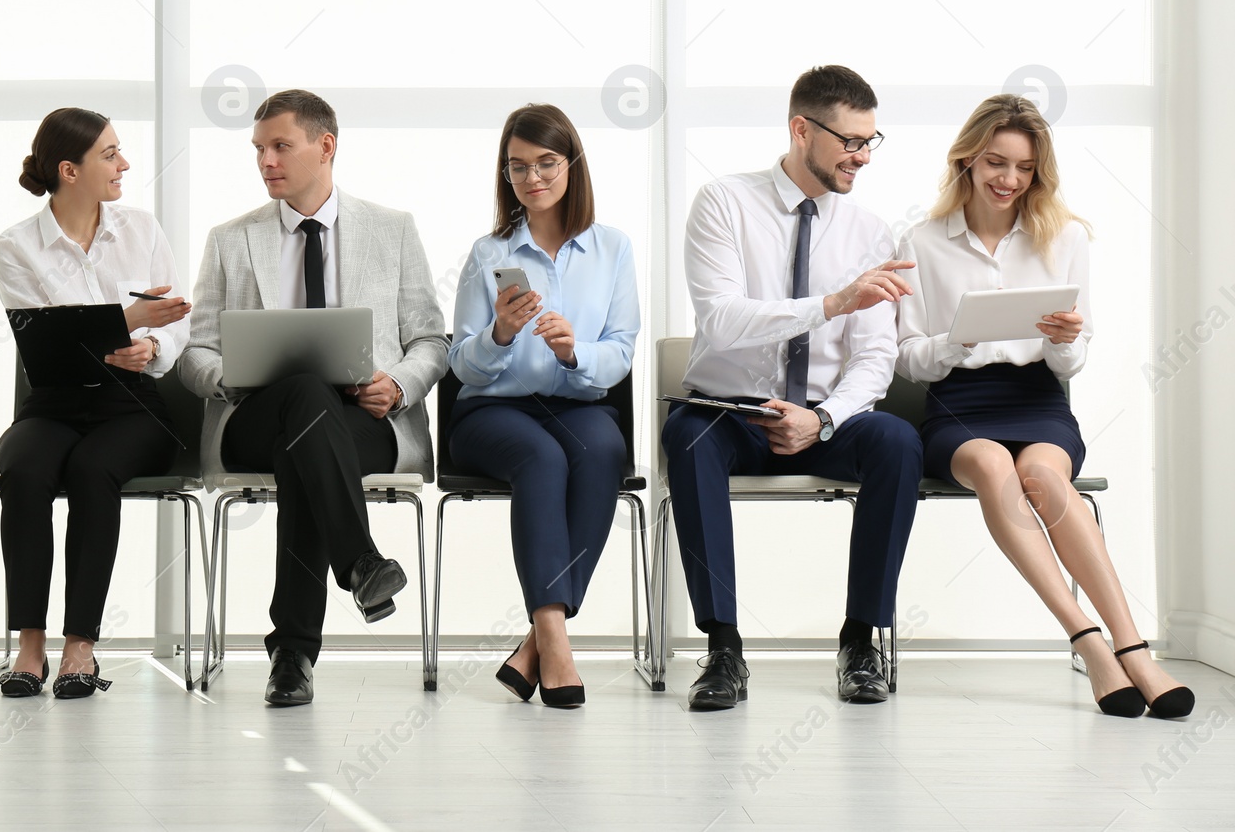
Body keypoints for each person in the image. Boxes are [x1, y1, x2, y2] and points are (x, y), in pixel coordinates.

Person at [897, 94, 1193, 719]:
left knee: (1043, 477)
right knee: (998, 473)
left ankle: (1133, 649)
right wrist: (957, 340)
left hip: (1038, 400)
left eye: (1024, 168)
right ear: (968, 160)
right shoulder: (922, 240)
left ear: (1038, 173)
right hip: (958, 407)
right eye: (996, 163)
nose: (1009, 180)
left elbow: (1073, 360)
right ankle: (1090, 644)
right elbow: (908, 360)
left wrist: (1064, 342)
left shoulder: (1065, 238)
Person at [662, 64, 923, 711]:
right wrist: (830, 302)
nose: (862, 156)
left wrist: (825, 419)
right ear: (800, 129)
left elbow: (876, 355)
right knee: (686, 439)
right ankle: (724, 646)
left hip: (824, 419)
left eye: (870, 141)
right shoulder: (723, 202)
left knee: (896, 440)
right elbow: (720, 321)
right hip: (733, 413)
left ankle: (859, 641)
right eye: (849, 141)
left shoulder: (869, 230)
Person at [179, 89, 447, 707]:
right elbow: (196, 353)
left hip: (365, 418)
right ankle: (359, 560)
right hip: (255, 417)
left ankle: (293, 654)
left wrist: (399, 384)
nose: (265, 161)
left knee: (309, 442)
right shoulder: (230, 240)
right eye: (258, 150)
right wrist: (231, 377)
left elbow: (432, 339)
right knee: (301, 396)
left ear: (325, 146)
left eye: (280, 146)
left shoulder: (392, 230)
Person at [0, 107, 191, 699]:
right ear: (69, 170)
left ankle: (81, 646)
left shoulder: (142, 229)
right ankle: (30, 647)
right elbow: (46, 343)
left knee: (91, 469)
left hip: (133, 404)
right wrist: (125, 322)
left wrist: (150, 345)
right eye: (110, 154)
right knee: (23, 467)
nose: (124, 163)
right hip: (52, 404)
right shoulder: (16, 248)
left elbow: (179, 321)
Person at [447, 104, 639, 710]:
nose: (532, 178)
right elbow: (461, 365)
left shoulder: (612, 249)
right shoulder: (489, 253)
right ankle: (555, 643)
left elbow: (622, 352)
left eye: (546, 163)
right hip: (491, 412)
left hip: (578, 403)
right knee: (541, 457)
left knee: (603, 449)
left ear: (571, 164)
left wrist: (575, 351)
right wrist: (499, 334)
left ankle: (535, 638)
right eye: (518, 167)